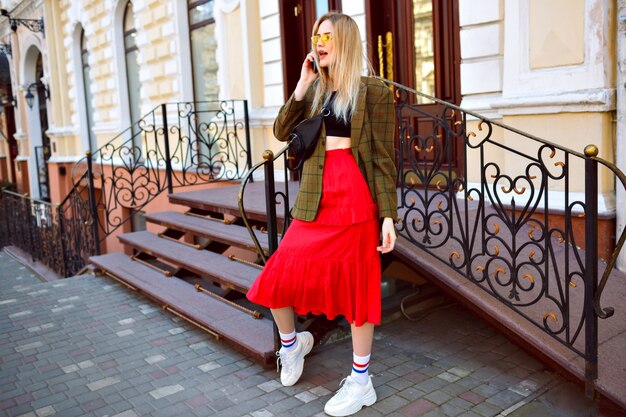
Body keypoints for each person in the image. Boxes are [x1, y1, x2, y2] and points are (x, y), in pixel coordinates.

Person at [246, 12, 397, 416]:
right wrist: (301, 86)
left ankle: (362, 382)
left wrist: (388, 216)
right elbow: (281, 132)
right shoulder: (313, 89)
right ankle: (292, 346)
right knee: (278, 276)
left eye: (327, 36)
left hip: (354, 197)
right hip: (315, 196)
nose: (319, 42)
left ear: (345, 41)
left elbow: (383, 160)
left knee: (358, 289)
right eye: (316, 36)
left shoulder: (375, 92)